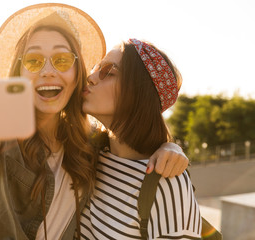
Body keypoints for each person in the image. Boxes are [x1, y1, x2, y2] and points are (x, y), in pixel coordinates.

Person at [0, 4, 188, 240]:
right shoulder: (2, 128)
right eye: (34, 61)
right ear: (19, 73)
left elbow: (134, 138)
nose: (48, 71)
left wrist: (168, 147)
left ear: (77, 72)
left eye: (62, 60)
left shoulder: (92, 146)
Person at [78, 38, 202, 239]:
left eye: (108, 71)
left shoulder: (167, 182)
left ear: (139, 92)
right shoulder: (89, 154)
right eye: (94, 68)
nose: (91, 77)